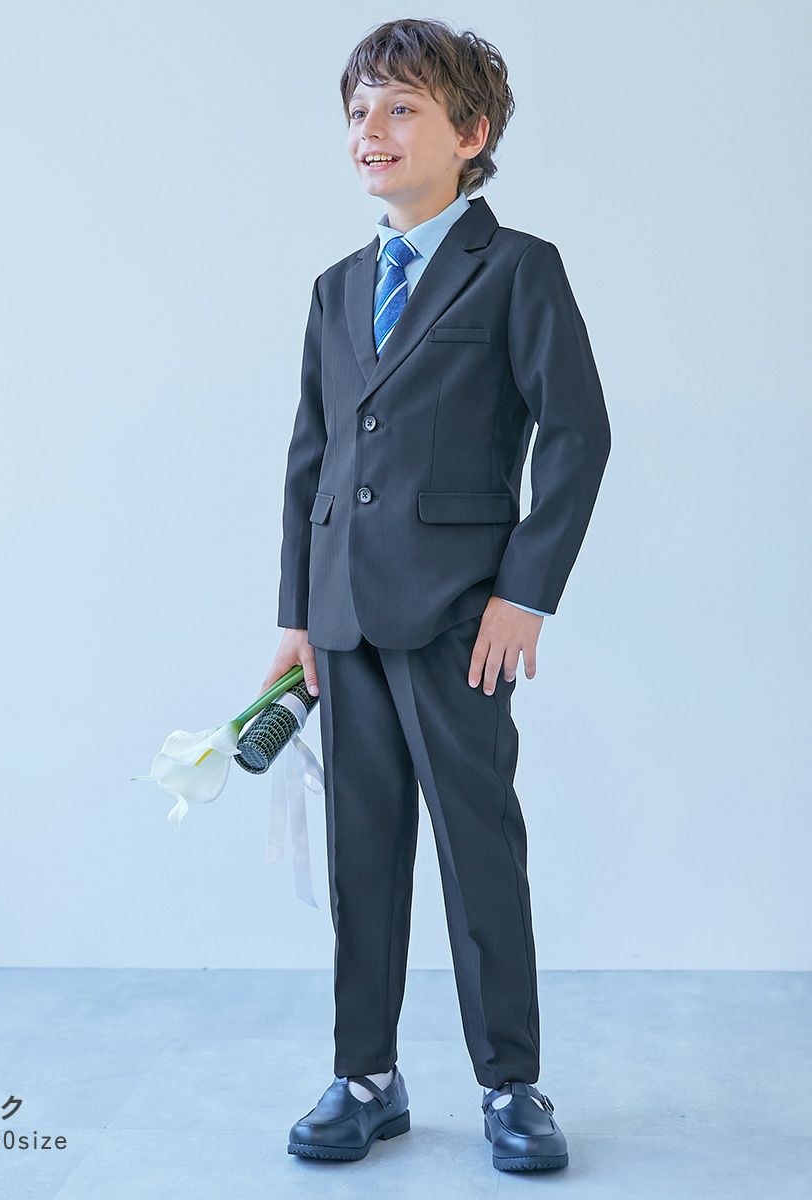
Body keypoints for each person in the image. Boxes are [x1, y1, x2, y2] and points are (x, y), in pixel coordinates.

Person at [260, 17, 610, 1173]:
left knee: (476, 846)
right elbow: (310, 461)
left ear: (471, 132)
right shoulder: (335, 288)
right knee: (360, 855)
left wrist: (525, 593)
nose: (371, 128)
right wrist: (295, 618)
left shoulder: (515, 270)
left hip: (461, 616)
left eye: (400, 107)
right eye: (358, 110)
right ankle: (365, 1073)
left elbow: (576, 434)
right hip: (343, 619)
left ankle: (512, 1083)